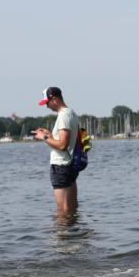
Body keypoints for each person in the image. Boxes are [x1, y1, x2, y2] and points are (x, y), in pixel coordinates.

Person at [33, 87, 79, 215]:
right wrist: (50, 135)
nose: (46, 106)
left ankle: (61, 234)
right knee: (72, 207)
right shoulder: (70, 113)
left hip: (61, 167)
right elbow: (65, 143)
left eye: (47, 102)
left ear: (54, 99)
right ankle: (73, 233)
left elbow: (63, 145)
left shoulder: (63, 116)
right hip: (69, 165)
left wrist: (45, 137)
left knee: (63, 210)